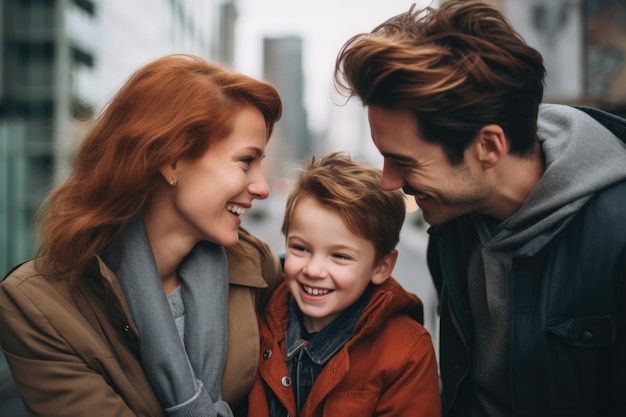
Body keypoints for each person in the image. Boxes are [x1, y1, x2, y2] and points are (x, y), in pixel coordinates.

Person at [333, 1, 626, 416]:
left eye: (405, 161)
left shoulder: (617, 236)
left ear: (488, 146)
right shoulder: (451, 229)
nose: (389, 181)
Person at [0, 53, 284, 417]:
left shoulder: (253, 265)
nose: (261, 187)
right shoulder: (37, 307)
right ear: (171, 160)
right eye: (246, 161)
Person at [247, 152, 441, 417]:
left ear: (381, 266)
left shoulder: (407, 352)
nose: (313, 270)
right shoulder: (258, 322)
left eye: (340, 256)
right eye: (300, 248)